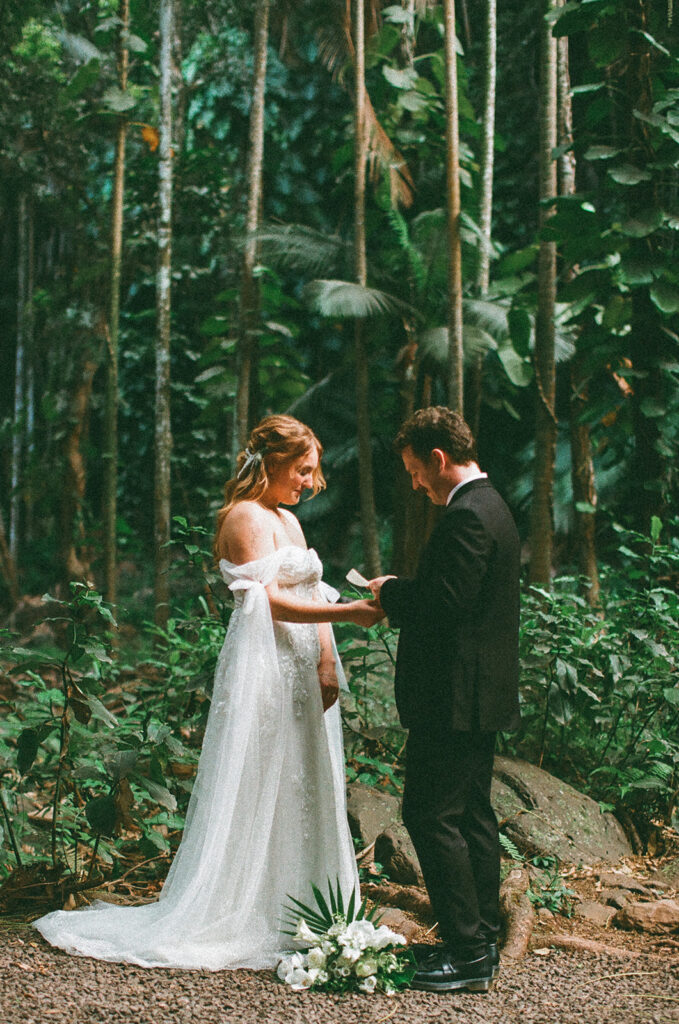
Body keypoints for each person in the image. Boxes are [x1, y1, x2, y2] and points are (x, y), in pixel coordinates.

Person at [35, 414, 382, 970]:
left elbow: (311, 589)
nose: (309, 482)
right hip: (265, 666)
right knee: (262, 772)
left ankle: (303, 907)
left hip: (301, 664)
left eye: (312, 471)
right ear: (272, 463)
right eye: (302, 469)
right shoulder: (243, 517)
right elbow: (265, 601)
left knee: (303, 775)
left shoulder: (290, 521)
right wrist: (350, 614)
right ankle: (245, 908)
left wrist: (325, 658)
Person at [369, 406, 520, 994]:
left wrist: (391, 592)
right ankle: (480, 941)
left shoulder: (467, 516)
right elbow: (460, 597)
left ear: (438, 458)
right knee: (471, 816)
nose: (415, 484)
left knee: (430, 815)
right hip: (475, 697)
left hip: (453, 699)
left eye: (415, 471)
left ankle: (467, 952)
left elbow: (442, 606)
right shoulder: (492, 506)